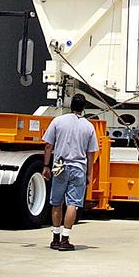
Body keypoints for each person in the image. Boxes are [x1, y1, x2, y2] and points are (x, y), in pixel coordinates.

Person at [42, 93, 99, 252]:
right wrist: (89, 174)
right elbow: (91, 153)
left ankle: (55, 238)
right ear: (83, 107)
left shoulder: (58, 121)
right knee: (73, 203)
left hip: (60, 166)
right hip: (79, 168)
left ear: (70, 105)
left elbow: (48, 145)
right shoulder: (88, 126)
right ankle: (65, 240)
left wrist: (46, 166)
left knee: (57, 202)